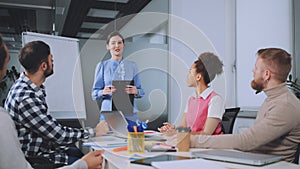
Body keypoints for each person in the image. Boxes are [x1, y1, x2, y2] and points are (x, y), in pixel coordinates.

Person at [0, 35, 104, 169]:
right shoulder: (26, 98)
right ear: (44, 66)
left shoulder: (26, 86)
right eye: (51, 59)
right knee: (91, 159)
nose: (53, 62)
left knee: (78, 151)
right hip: (36, 158)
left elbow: (49, 128)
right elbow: (58, 134)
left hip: (43, 149)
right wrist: (94, 131)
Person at [190, 48, 300, 162]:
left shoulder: (285, 105)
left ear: (267, 74)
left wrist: (193, 141)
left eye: (256, 68)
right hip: (255, 161)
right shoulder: (273, 99)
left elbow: (246, 141)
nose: (253, 70)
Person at [158, 52, 225, 136]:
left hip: (209, 146)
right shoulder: (191, 99)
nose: (187, 75)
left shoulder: (215, 100)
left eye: (190, 72)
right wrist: (173, 129)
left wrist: (177, 133)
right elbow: (183, 126)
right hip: (192, 145)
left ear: (198, 77)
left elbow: (206, 134)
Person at [92, 31, 145, 124]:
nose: (117, 46)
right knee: (107, 138)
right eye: (113, 43)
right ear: (108, 46)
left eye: (120, 42)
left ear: (123, 45)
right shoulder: (102, 66)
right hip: (109, 113)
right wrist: (103, 92)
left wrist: (136, 91)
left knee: (132, 138)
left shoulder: (133, 66)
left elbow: (141, 91)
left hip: (129, 113)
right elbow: (94, 94)